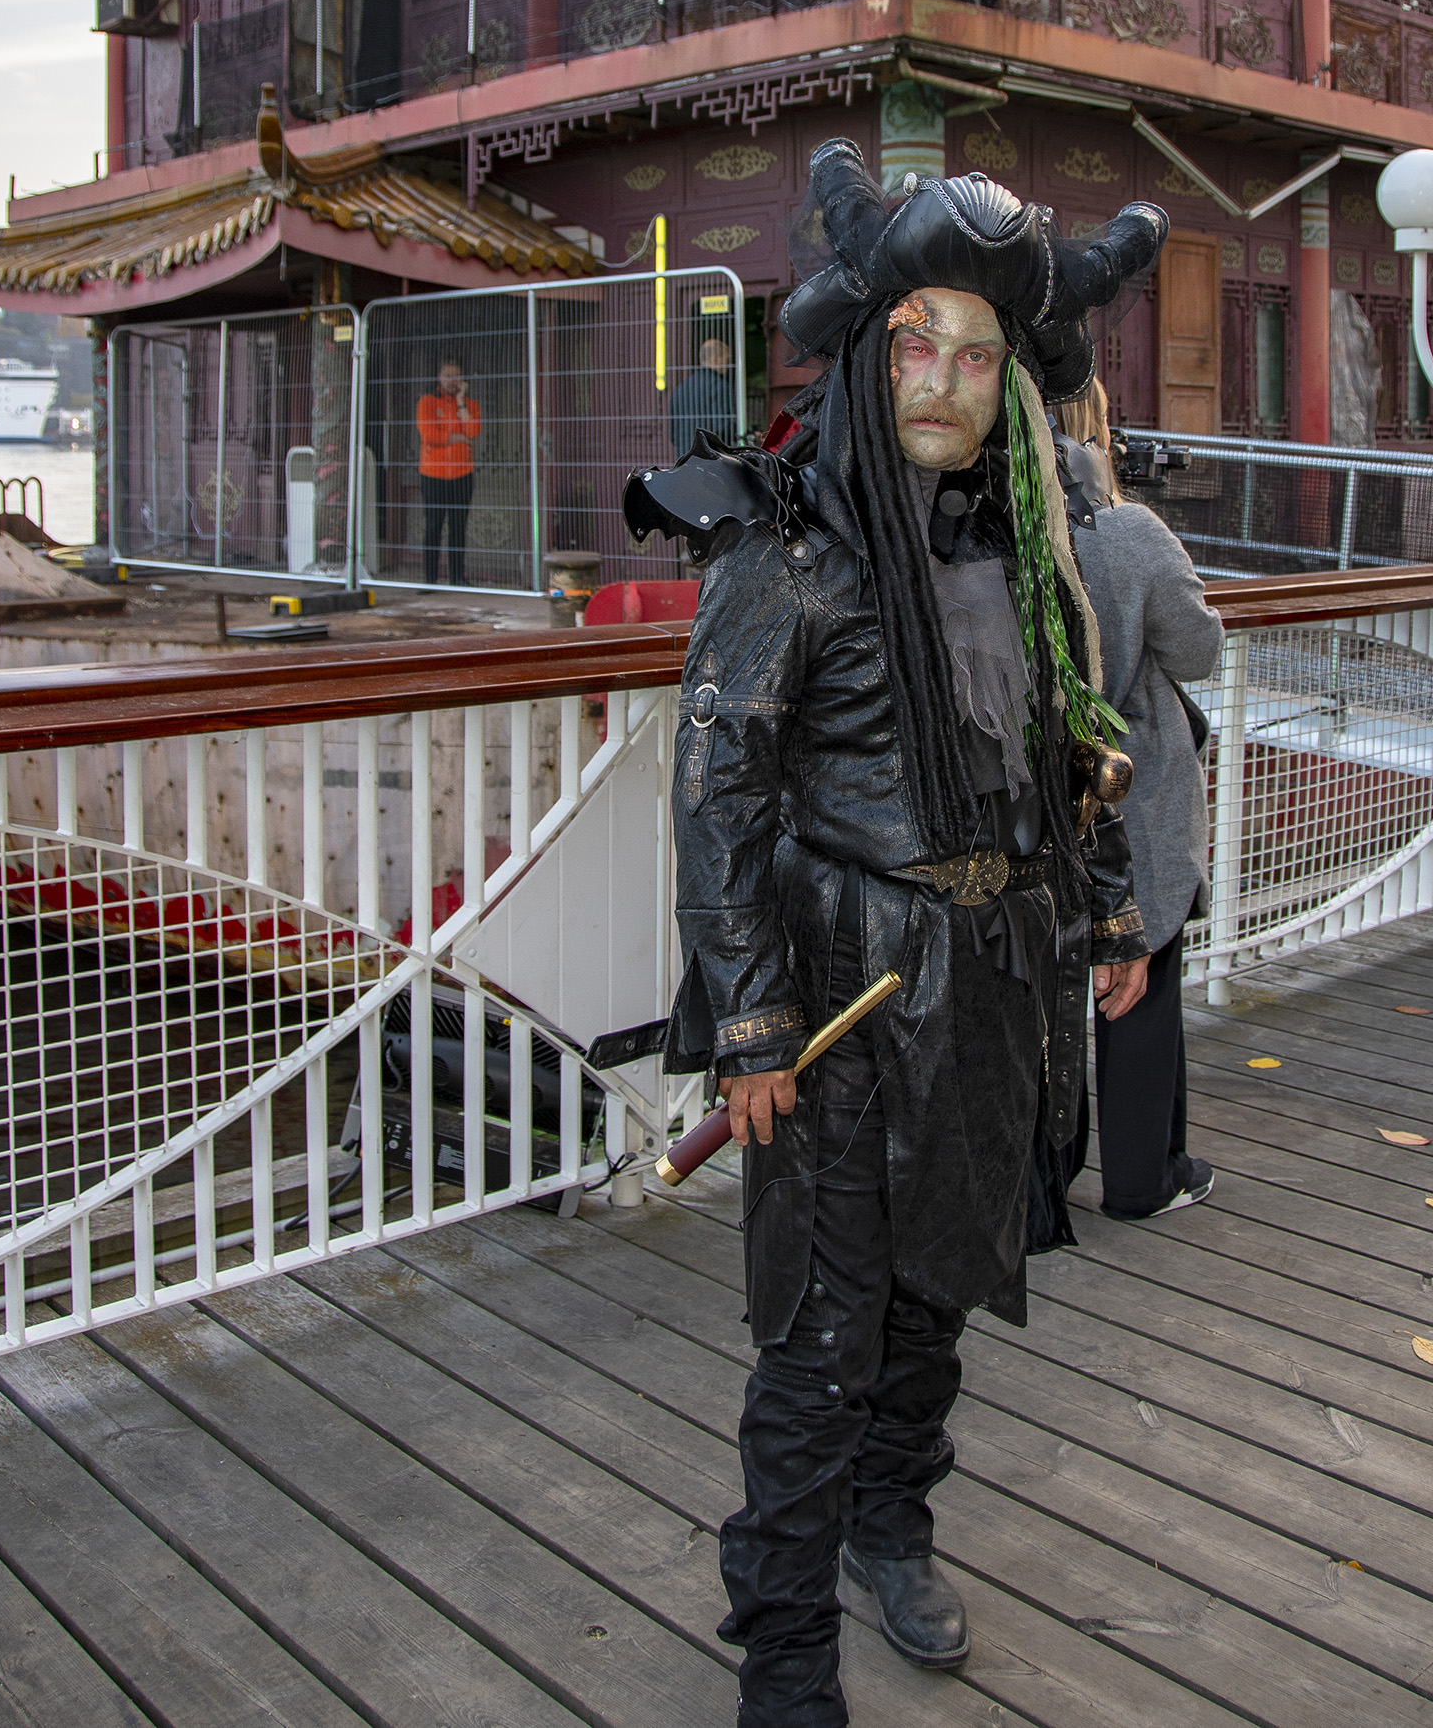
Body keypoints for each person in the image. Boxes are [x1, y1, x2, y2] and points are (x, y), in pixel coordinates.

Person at [625, 143, 1168, 1728]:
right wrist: (744, 1025)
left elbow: (1066, 741)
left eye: (976, 351)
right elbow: (716, 787)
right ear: (869, 356)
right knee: (817, 1340)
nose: (942, 377)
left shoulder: (1031, 545)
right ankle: (783, 1650)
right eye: (915, 341)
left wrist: (1114, 907)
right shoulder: (785, 548)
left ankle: (892, 1523)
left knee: (936, 1292)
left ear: (1011, 379)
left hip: (993, 980)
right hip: (838, 986)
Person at [1062, 380, 1224, 1220]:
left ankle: (1040, 1189)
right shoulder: (1127, 533)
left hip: (1025, 792)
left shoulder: (986, 531)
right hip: (1135, 785)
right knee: (1143, 976)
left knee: (1047, 990)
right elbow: (1196, 650)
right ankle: (1142, 1177)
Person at [416, 356, 481, 588]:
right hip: (433, 474)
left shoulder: (470, 405)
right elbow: (429, 435)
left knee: (458, 527)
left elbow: (473, 431)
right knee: (433, 526)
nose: (452, 381)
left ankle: (457, 578)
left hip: (462, 475)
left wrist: (461, 402)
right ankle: (430, 579)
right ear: (439, 378)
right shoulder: (427, 401)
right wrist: (457, 437)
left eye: (456, 376)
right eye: (448, 375)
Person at [667, 330, 740, 460]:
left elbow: (673, 435)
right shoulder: (719, 385)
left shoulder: (680, 389)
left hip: (684, 460)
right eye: (727, 359)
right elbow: (723, 427)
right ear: (717, 358)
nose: (727, 366)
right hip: (710, 461)